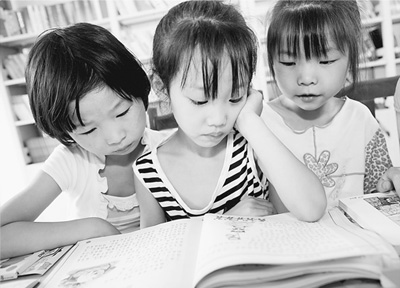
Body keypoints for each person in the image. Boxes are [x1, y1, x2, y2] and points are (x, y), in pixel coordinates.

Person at [133, 0, 327, 229]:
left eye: (235, 97)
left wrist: (249, 122)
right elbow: (155, 253)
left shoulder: (253, 146)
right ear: (161, 88)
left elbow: (311, 209)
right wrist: (223, 222)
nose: (219, 119)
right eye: (200, 100)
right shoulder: (149, 172)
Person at [0, 23, 170, 259]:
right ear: (67, 134)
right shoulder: (71, 160)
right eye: (89, 130)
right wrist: (92, 228)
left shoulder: (169, 149)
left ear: (141, 91)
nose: (115, 137)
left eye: (121, 113)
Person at [261, 0, 400, 210]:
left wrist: (388, 182)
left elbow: (378, 191)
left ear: (351, 59)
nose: (306, 78)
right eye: (289, 62)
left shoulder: (360, 119)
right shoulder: (260, 122)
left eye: (325, 61)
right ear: (272, 61)